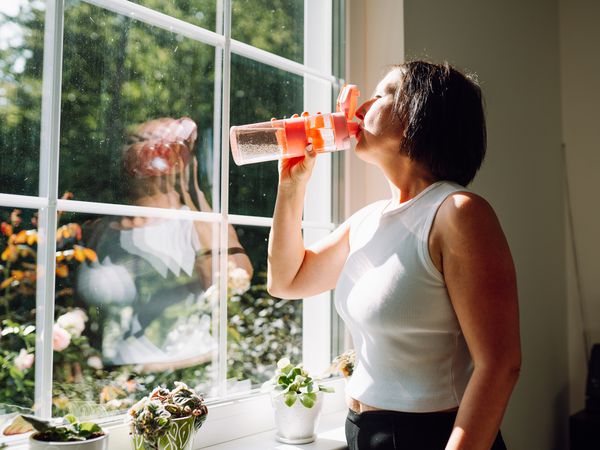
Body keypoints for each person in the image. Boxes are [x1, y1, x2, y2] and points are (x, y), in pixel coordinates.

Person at [267, 61, 521, 450]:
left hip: (433, 437)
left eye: (385, 92)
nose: (364, 104)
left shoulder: (458, 212)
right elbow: (286, 281)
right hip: (363, 433)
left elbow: (500, 365)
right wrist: (292, 183)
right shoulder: (367, 220)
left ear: (422, 115)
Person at [78, 117, 252, 372]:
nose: (153, 155)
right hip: (118, 376)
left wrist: (193, 193)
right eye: (138, 144)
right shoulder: (104, 231)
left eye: (164, 146)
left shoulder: (197, 222)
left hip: (195, 369)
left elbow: (234, 282)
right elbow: (80, 313)